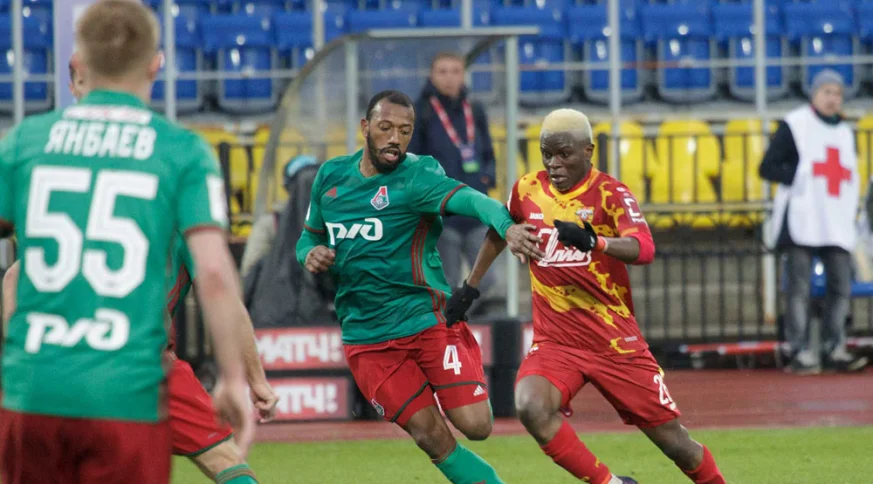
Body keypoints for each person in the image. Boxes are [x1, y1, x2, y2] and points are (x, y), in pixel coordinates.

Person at [0, 2, 252, 482]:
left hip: (36, 386)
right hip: (128, 389)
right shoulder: (181, 151)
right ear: (156, 64)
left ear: (80, 63)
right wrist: (234, 379)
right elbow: (215, 275)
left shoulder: (24, 142)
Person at [446, 109, 727, 484]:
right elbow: (501, 231)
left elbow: (644, 248)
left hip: (613, 342)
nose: (554, 164)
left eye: (564, 154)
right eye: (547, 154)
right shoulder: (526, 190)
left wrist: (596, 241)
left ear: (588, 151)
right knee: (531, 405)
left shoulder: (611, 194)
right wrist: (471, 286)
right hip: (557, 342)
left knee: (675, 442)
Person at [296, 90, 543, 484]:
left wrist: (508, 227)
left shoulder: (418, 177)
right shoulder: (330, 177)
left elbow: (475, 201)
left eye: (405, 131)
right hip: (367, 338)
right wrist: (309, 254)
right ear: (365, 127)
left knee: (477, 425)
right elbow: (308, 237)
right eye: (386, 128)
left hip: (426, 322)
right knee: (430, 436)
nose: (395, 138)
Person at [759, 69, 869, 375]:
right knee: (799, 288)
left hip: (836, 222)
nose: (833, 98)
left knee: (841, 286)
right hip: (803, 219)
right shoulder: (795, 125)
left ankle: (835, 348)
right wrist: (800, 177)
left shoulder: (845, 132)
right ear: (814, 94)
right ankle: (799, 350)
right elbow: (767, 167)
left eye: (838, 93)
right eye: (827, 92)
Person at [408, 52, 501, 311]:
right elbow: (413, 159)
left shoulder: (474, 109)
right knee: (445, 283)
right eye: (443, 71)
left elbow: (488, 153)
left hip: (475, 210)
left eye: (455, 71)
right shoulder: (421, 111)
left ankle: (467, 320)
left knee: (488, 281)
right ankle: (448, 327)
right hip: (442, 214)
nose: (449, 78)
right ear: (431, 76)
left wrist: (487, 177)